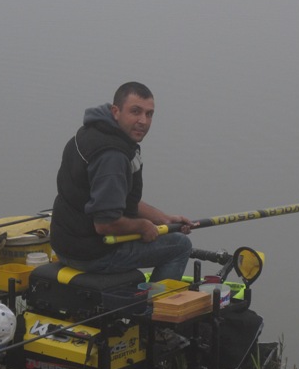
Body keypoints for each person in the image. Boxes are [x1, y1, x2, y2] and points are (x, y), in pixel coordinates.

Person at [50, 82, 193, 282]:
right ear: (116, 111)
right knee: (179, 246)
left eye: (149, 114)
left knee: (170, 235)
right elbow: (105, 224)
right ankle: (155, 310)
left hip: (63, 242)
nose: (143, 121)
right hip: (91, 254)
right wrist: (143, 226)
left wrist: (165, 219)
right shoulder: (112, 157)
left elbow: (118, 199)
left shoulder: (90, 131)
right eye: (135, 111)